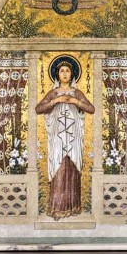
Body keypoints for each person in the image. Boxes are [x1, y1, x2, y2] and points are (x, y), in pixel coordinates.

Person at [35, 57, 95, 220]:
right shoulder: (53, 93)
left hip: (74, 138)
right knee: (59, 168)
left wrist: (75, 101)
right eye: (62, 70)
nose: (65, 73)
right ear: (57, 74)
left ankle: (73, 207)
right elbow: (39, 108)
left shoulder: (77, 93)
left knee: (72, 167)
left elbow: (91, 108)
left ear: (72, 73)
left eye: (67, 70)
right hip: (57, 139)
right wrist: (56, 100)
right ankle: (57, 208)